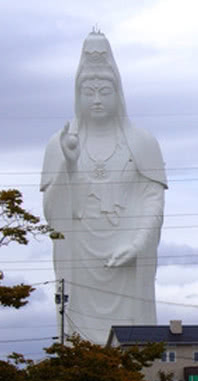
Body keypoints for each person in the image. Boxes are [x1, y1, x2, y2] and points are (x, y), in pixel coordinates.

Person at [41, 29, 168, 344]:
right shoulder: (59, 143)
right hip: (80, 259)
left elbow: (153, 201)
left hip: (126, 261)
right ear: (77, 94)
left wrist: (138, 244)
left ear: (118, 93)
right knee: (77, 336)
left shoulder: (141, 141)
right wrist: (68, 164)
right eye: (89, 91)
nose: (96, 99)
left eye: (104, 91)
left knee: (131, 339)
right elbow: (53, 215)